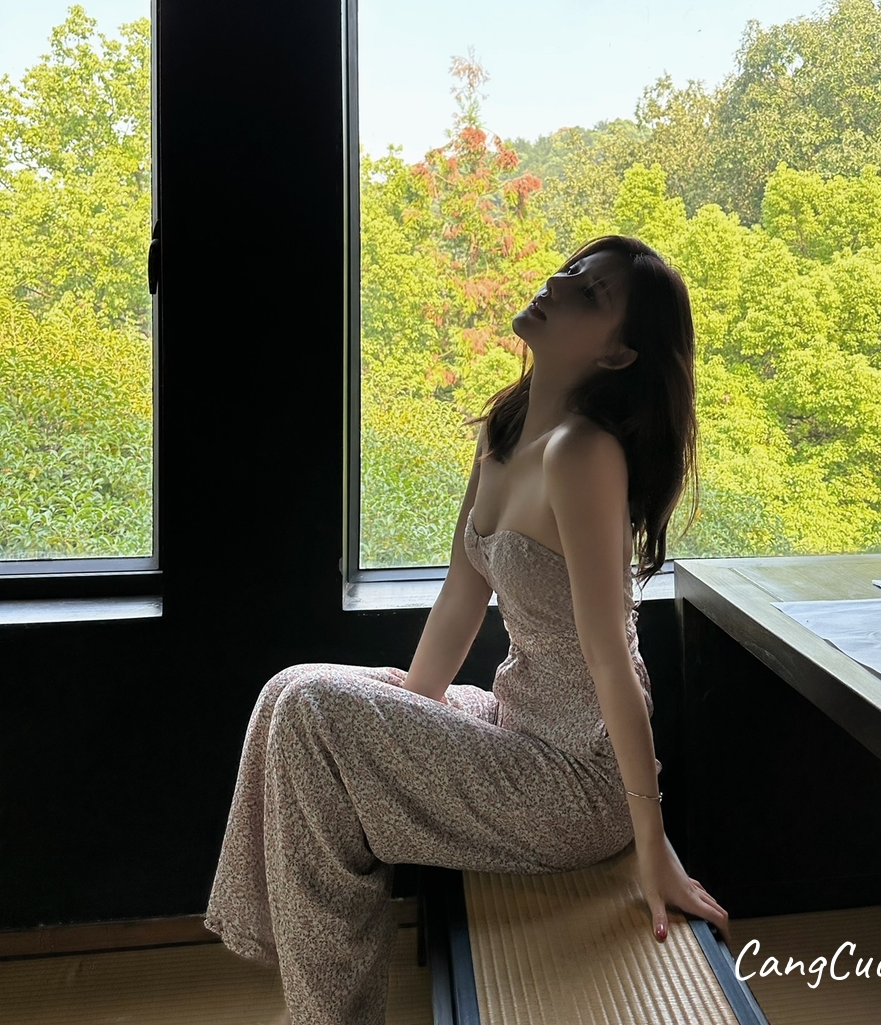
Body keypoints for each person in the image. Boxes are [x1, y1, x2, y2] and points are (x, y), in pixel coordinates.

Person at [204, 234, 729, 1025]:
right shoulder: (505, 432)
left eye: (589, 293)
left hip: (575, 782)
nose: (558, 282)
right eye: (570, 270)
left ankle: (328, 1013)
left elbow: (609, 658)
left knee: (312, 711)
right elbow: (461, 593)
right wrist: (414, 710)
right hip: (515, 725)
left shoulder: (583, 454)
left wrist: (651, 844)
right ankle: (318, 994)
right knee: (291, 692)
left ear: (618, 354)